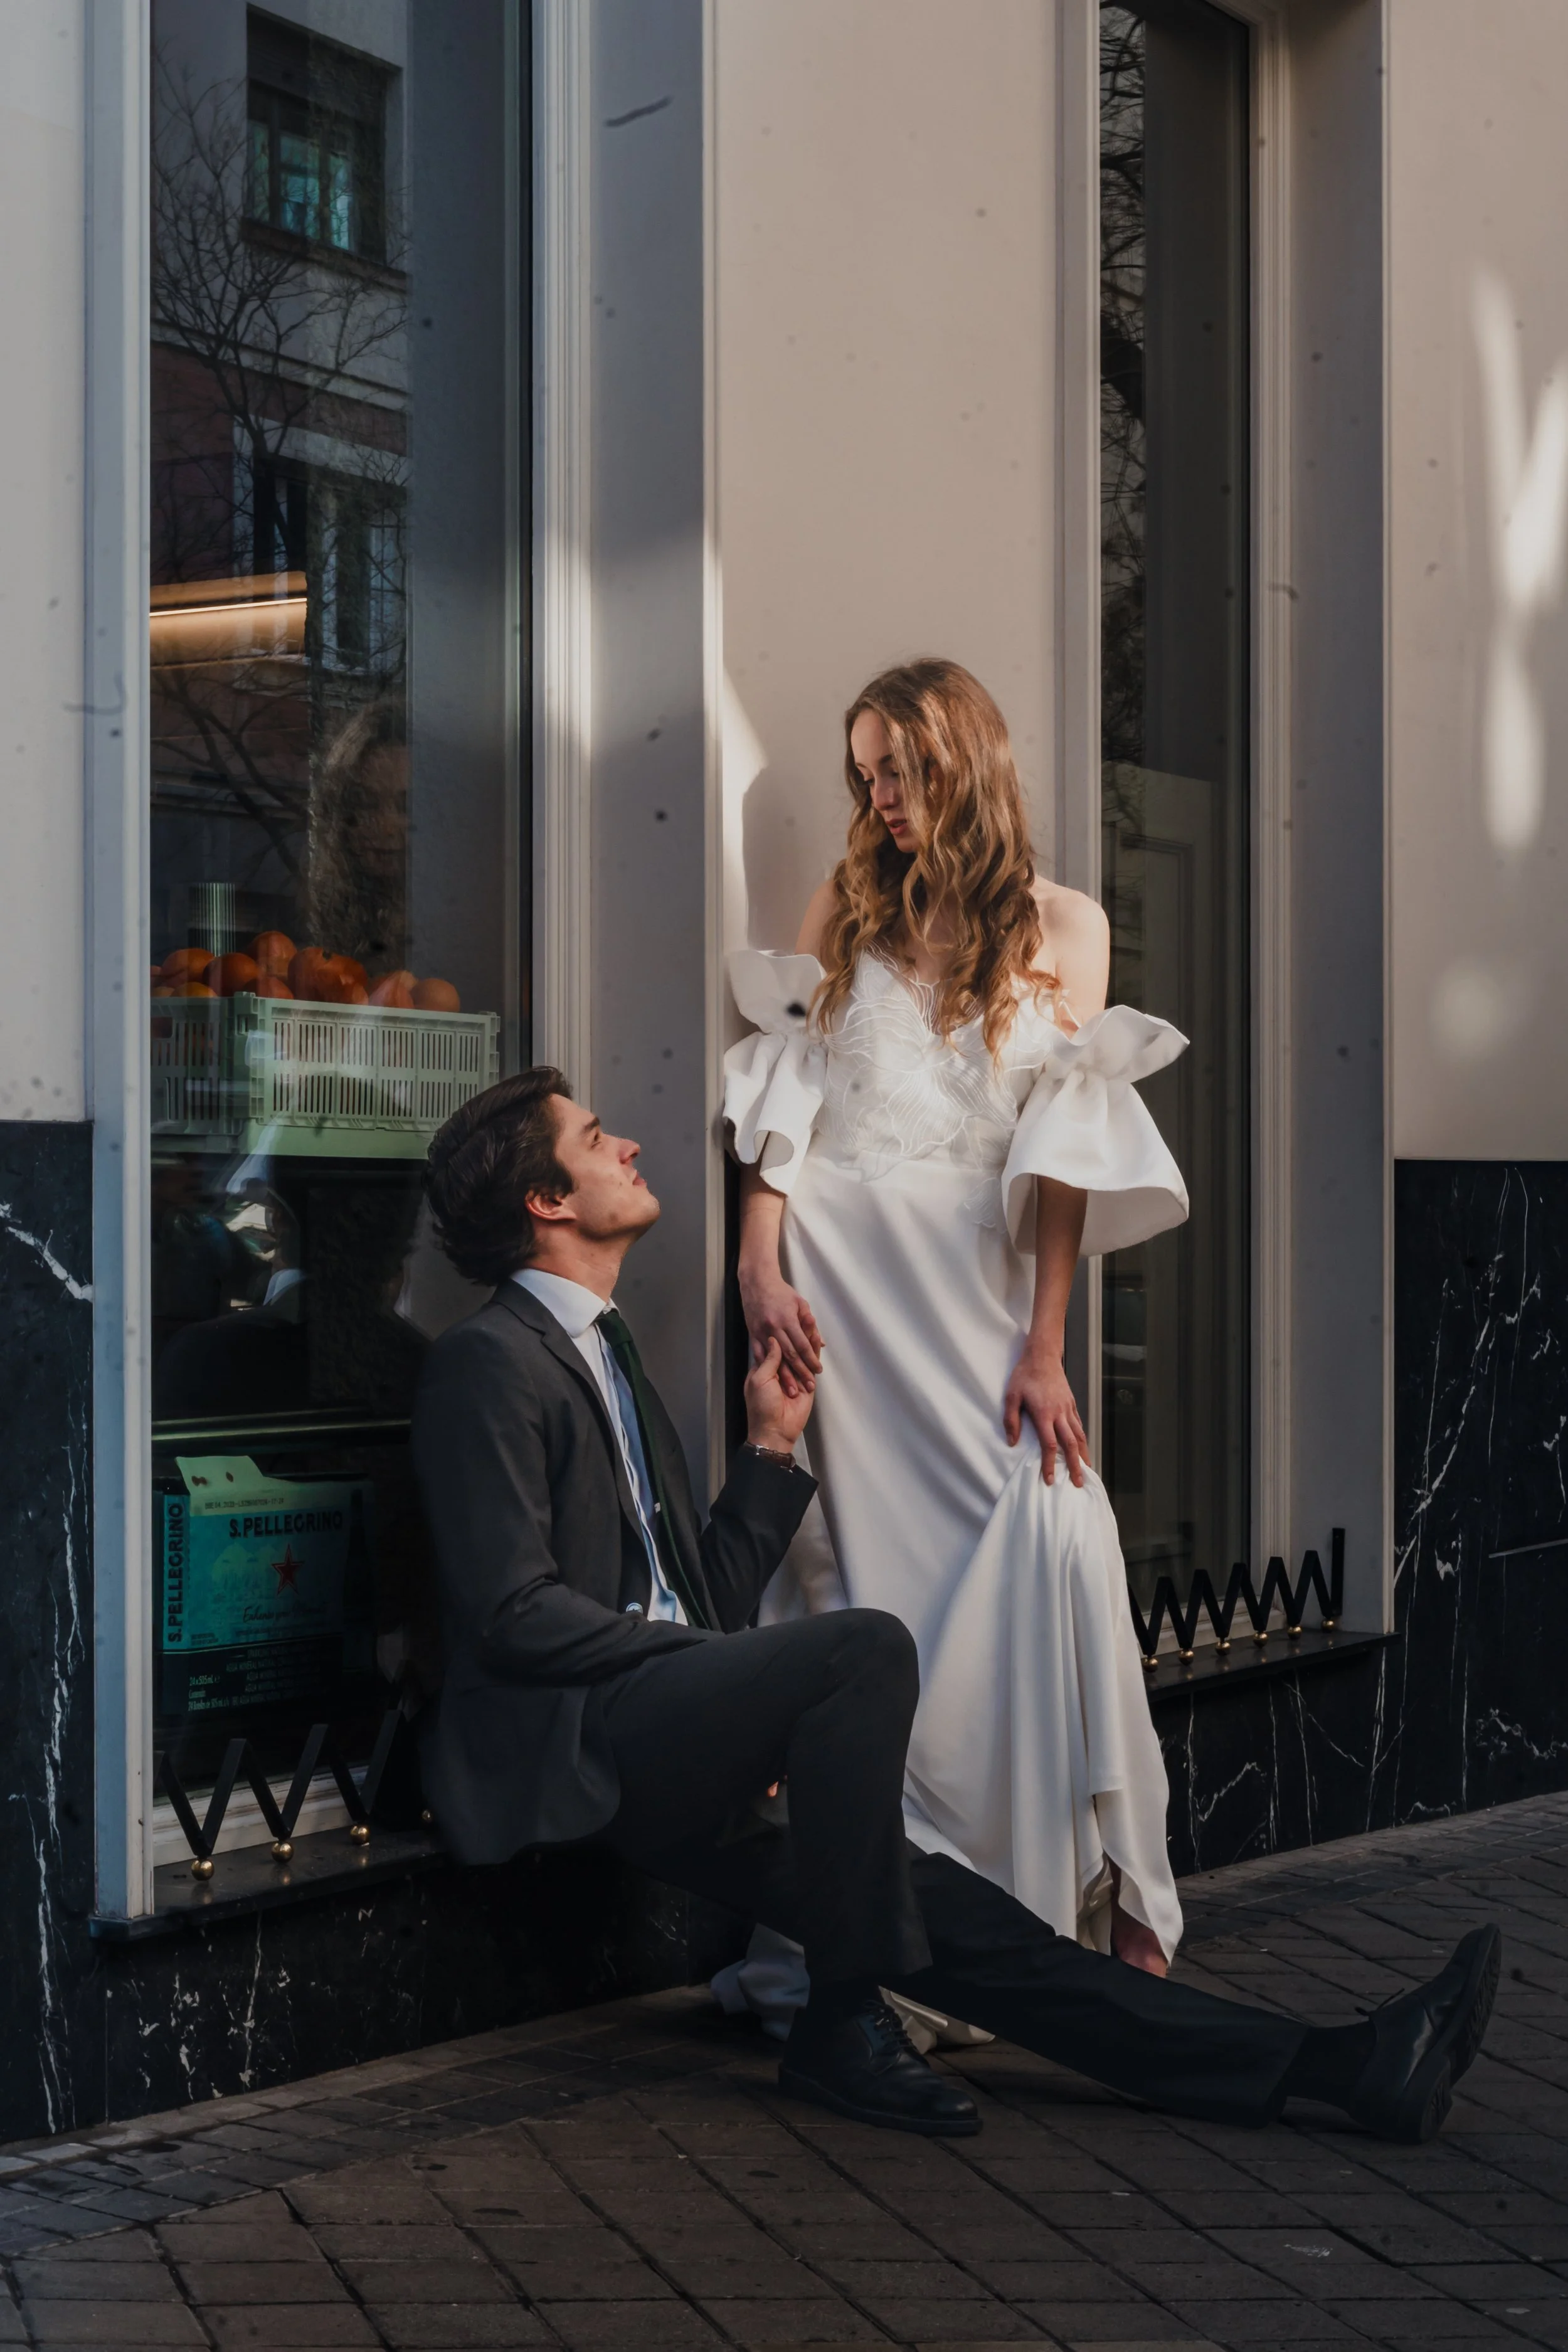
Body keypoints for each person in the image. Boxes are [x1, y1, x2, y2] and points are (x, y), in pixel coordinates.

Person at [410, 1069, 1501, 2146]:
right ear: (548, 1202)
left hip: (658, 1728)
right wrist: (715, 1687)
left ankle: (1342, 2068)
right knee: (866, 1649)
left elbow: (704, 1600)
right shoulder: (488, 1363)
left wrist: (771, 1450)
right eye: (597, 1138)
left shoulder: (614, 1358)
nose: (630, 1146)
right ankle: (842, 2022)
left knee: (972, 1931)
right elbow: (513, 1615)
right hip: (575, 1741)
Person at [726, 657, 1186, 1978]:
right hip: (841, 1309)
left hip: (973, 1310)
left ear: (963, 762)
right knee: (863, 1600)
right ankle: (887, 1940)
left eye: (903, 768)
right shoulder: (847, 906)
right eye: (866, 771)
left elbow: (1061, 1158)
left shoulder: (1067, 926)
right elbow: (787, 1098)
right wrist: (757, 1267)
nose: (880, 794)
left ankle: (1071, 1910)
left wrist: (1046, 1346)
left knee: (1054, 1531)